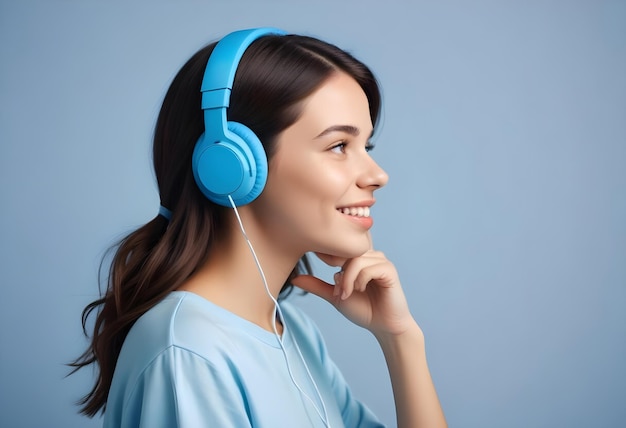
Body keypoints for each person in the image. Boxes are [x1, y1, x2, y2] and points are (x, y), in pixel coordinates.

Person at [70, 27, 447, 428]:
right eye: (339, 146)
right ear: (232, 166)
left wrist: (401, 340)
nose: (377, 175)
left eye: (365, 147)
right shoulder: (188, 351)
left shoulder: (291, 332)